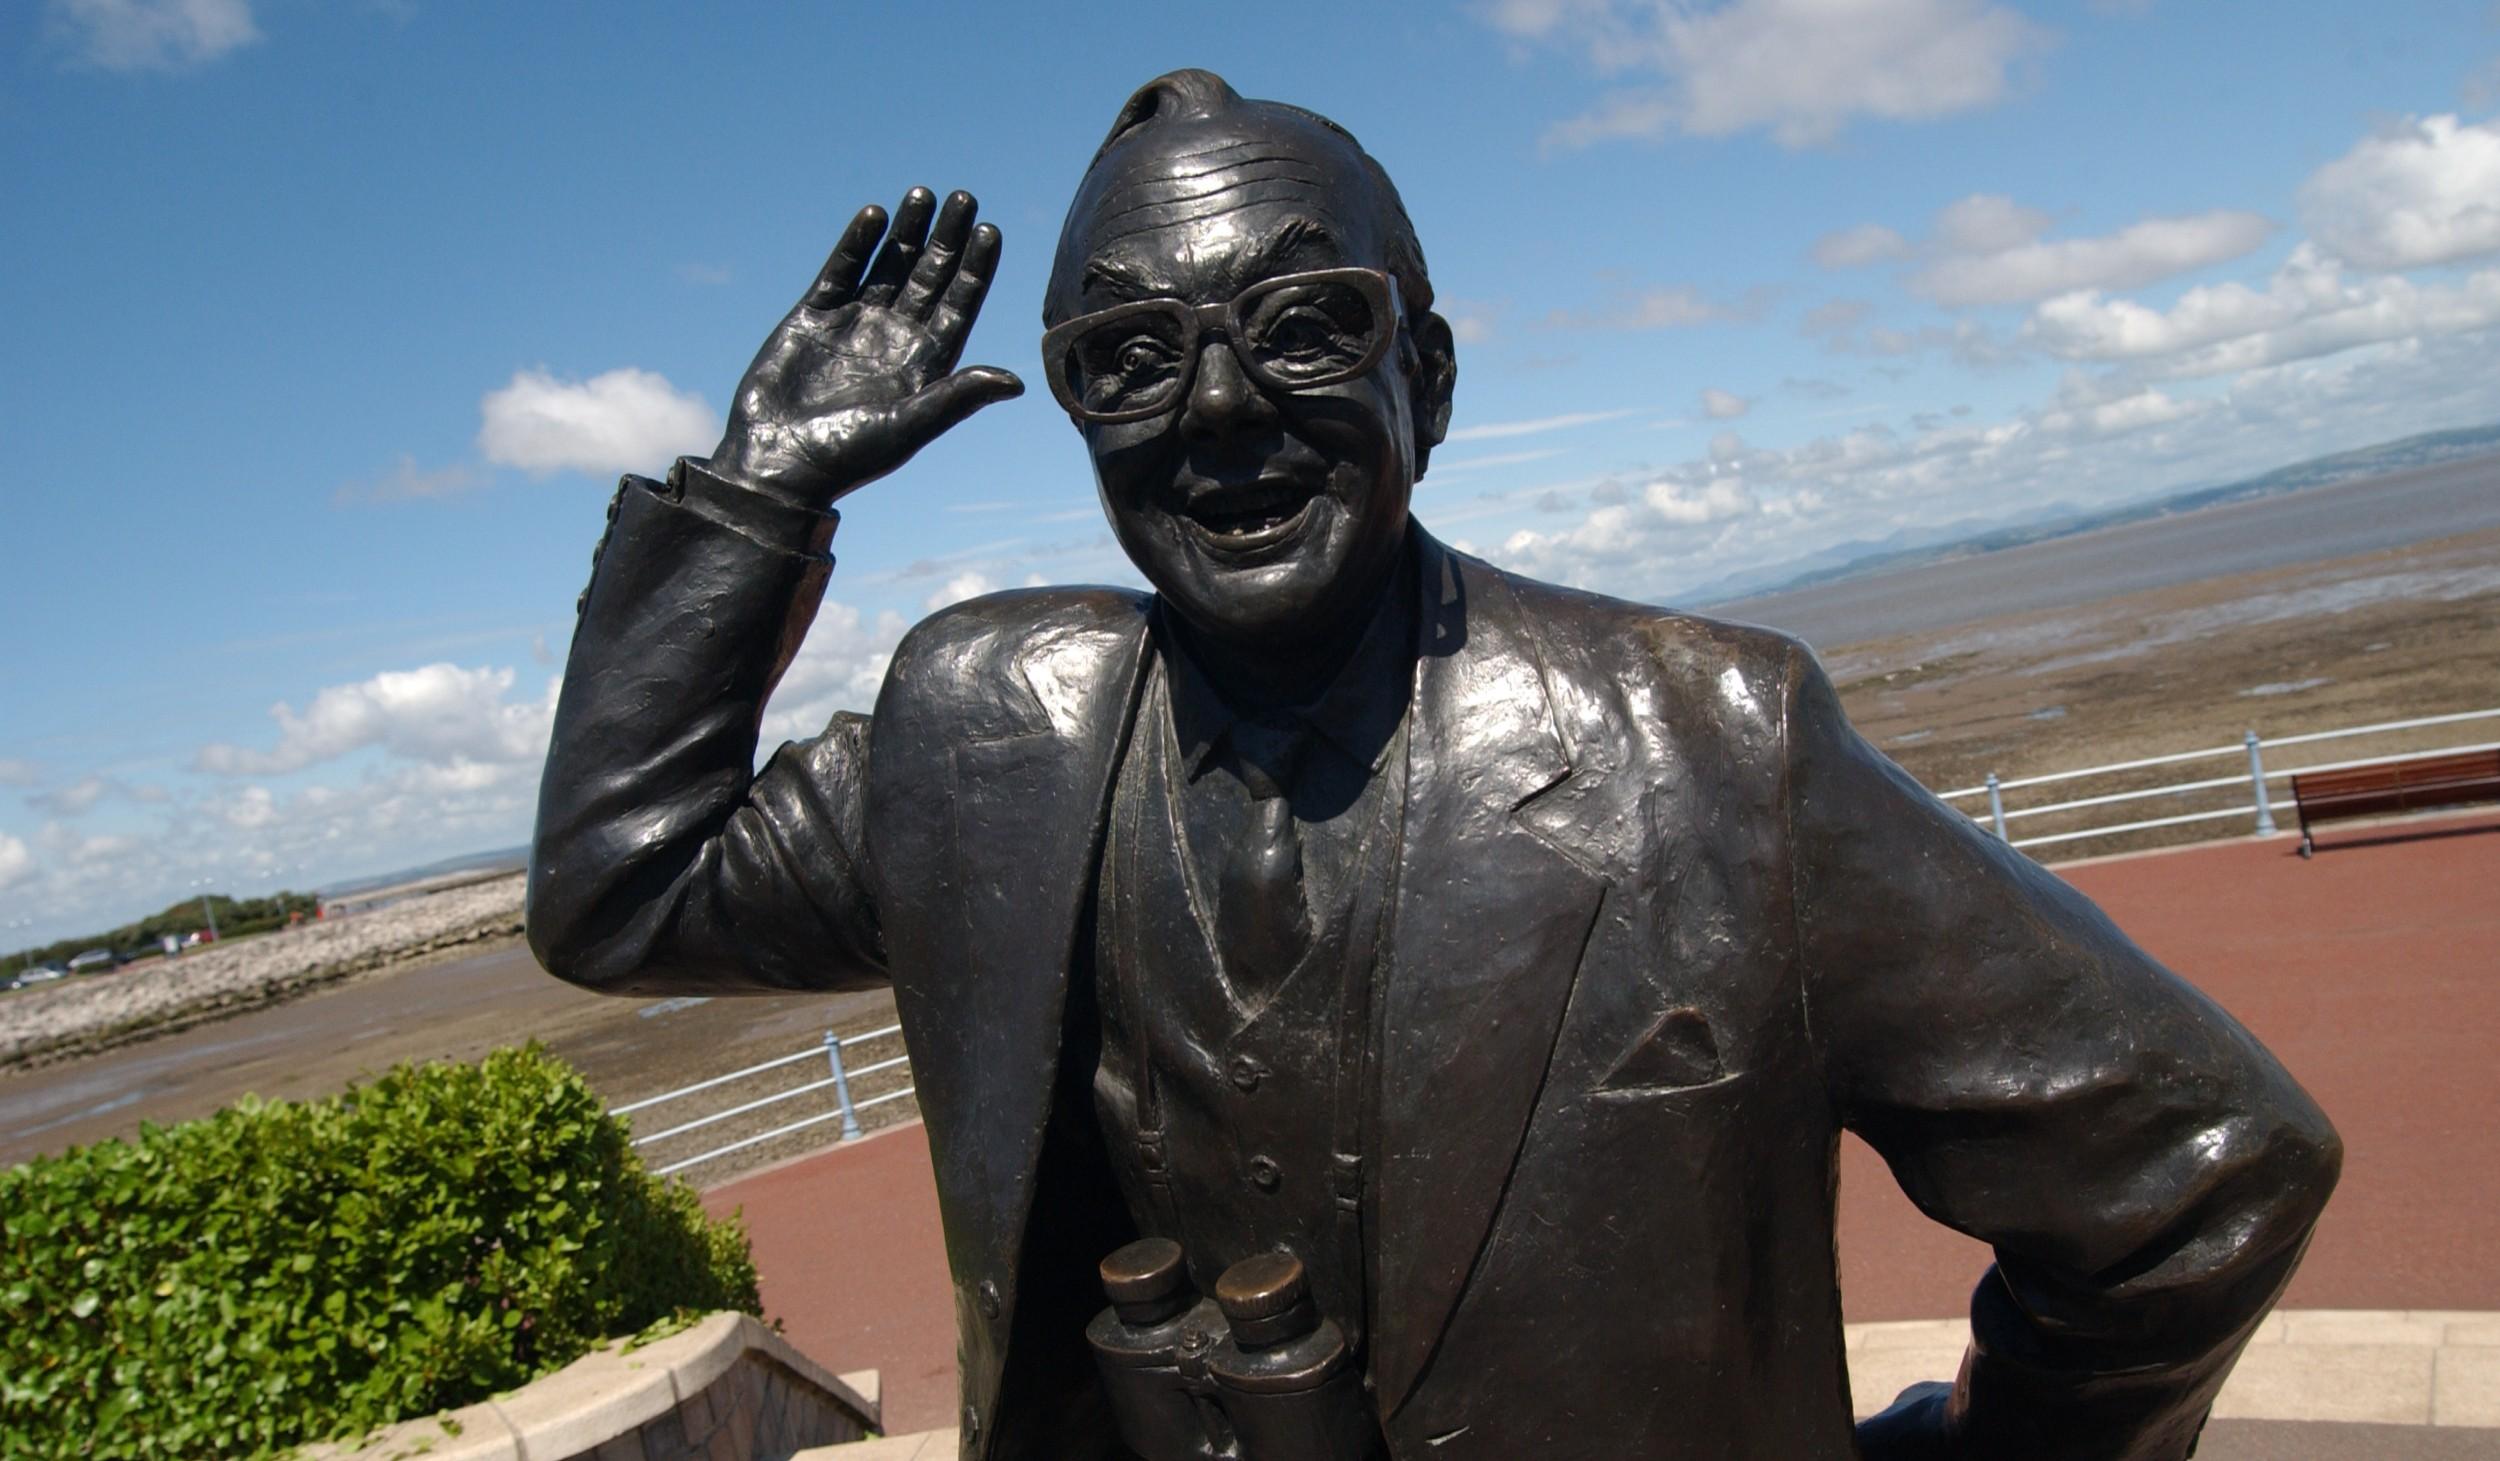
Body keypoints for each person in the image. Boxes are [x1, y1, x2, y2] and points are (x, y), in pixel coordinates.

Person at [529, 70, 2338, 1461]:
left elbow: (2201, 1172)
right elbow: (622, 890)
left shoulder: (1713, 748)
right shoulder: (978, 727)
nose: (1219, 408)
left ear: (1436, 378)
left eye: (1305, 324)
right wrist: (758, 492)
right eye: (1130, 356)